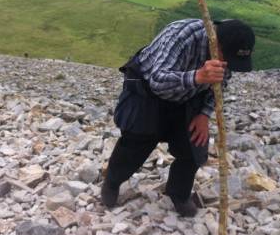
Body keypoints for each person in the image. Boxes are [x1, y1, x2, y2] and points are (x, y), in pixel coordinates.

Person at [101, 18, 255, 217]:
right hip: (148, 92)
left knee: (194, 147)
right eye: (227, 59)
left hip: (188, 97)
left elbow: (220, 83)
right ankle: (113, 182)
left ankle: (179, 194)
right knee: (137, 141)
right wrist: (198, 76)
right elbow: (157, 79)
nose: (228, 66)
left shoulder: (225, 55)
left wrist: (203, 114)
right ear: (215, 43)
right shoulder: (182, 35)